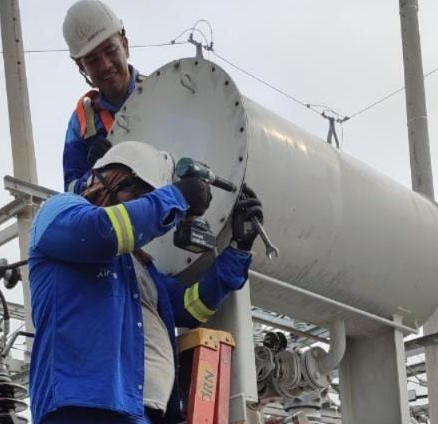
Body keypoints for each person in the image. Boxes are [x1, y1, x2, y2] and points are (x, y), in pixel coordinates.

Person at [27, 141, 265, 424]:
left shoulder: (139, 266)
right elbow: (101, 232)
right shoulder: (58, 211)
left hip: (142, 412)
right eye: (139, 195)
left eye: (148, 197)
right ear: (112, 179)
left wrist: (239, 250)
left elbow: (191, 308)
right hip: (83, 405)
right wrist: (177, 196)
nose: (145, 207)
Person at [61, 0, 142, 194]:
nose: (105, 65)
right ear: (82, 68)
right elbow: (71, 194)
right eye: (93, 60)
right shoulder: (81, 124)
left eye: (111, 50)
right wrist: (95, 173)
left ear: (125, 46)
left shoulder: (163, 92)